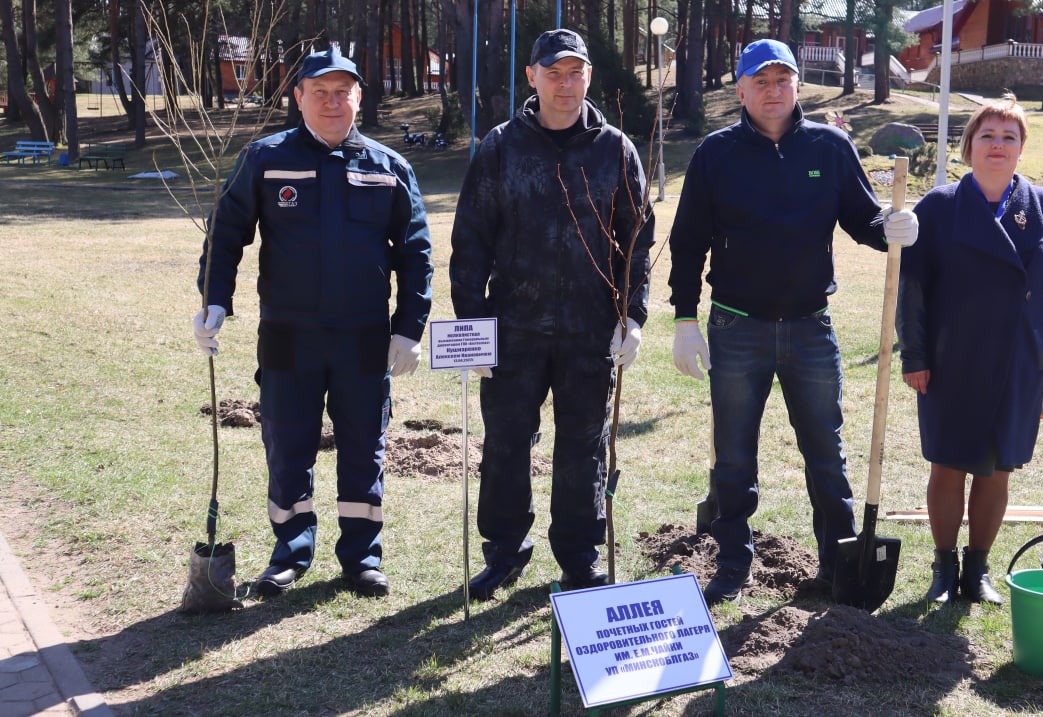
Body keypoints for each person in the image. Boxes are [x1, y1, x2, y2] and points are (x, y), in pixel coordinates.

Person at [667, 39, 919, 605]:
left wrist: (892, 228)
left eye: (783, 80)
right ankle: (732, 559)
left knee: (826, 452)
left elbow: (862, 219)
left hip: (810, 328)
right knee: (733, 454)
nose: (773, 91)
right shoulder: (716, 154)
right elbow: (688, 244)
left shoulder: (829, 147)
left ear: (798, 85)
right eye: (761, 81)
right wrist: (685, 318)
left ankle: (838, 566)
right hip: (736, 328)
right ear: (741, 90)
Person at [193, 48, 433, 598]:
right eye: (319, 92)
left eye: (342, 91)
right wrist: (215, 299)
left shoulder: (388, 167)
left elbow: (415, 253)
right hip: (288, 336)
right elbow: (226, 233)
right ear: (297, 96)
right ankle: (290, 552)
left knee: (363, 446)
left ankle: (361, 557)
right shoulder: (265, 158)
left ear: (358, 98)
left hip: (365, 338)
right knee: (287, 443)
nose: (332, 102)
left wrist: (409, 327)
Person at [450, 29, 655, 600]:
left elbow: (636, 240)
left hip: (590, 332)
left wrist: (631, 317)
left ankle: (578, 555)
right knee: (507, 444)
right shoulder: (500, 147)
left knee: (582, 446)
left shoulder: (615, 149)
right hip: (514, 330)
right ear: (533, 77)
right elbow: (470, 242)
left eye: (576, 73)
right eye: (554, 73)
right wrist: (473, 328)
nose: (565, 84)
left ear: (588, 76)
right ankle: (504, 551)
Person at [896, 92, 1043, 605]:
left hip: (1018, 361)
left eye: (1009, 137)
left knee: (998, 468)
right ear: (968, 147)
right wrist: (913, 355)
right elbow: (912, 287)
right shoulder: (937, 207)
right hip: (950, 360)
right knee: (947, 464)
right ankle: (943, 569)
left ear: (1022, 148)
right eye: (987, 136)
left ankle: (977, 570)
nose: (997, 145)